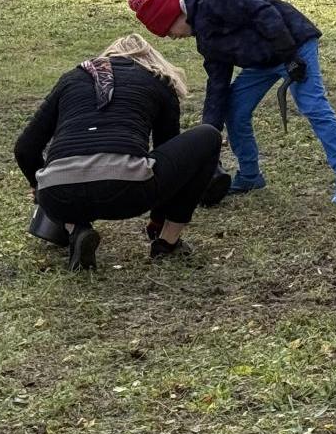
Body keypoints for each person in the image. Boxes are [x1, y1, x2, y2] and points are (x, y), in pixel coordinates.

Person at [130, 0, 336, 205]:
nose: (172, 37)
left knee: (312, 105)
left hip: (294, 45)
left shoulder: (218, 0)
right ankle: (250, 176)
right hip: (262, 62)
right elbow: (217, 88)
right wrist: (206, 138)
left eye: (168, 31)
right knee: (235, 110)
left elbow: (266, 12)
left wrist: (291, 56)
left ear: (174, 16)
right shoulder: (206, 41)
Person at [15, 34, 225, 269]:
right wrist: (157, 219)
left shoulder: (71, 79)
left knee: (67, 181)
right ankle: (168, 242)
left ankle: (77, 229)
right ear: (151, 59)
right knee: (209, 136)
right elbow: (169, 157)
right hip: (127, 191)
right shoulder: (158, 81)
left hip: (57, 194)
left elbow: (25, 149)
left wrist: (40, 188)